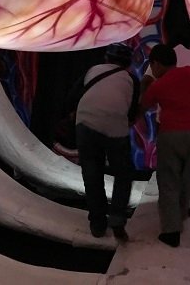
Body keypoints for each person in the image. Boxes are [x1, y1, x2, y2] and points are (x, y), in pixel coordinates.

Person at [140, 44, 190, 247]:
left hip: (171, 133)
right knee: (188, 176)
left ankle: (171, 231)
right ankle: (182, 213)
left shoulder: (158, 86)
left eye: (152, 65)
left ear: (157, 64)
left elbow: (143, 105)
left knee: (168, 179)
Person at [75, 43, 139, 241]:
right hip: (115, 128)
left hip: (85, 123)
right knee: (123, 174)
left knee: (92, 174)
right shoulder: (131, 79)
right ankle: (117, 219)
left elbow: (74, 95)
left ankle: (97, 223)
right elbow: (132, 113)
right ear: (128, 63)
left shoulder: (93, 70)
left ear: (106, 58)